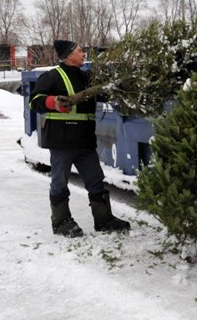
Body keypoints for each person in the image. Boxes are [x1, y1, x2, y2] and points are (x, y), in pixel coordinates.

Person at [29, 40, 131, 237]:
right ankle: (61, 222)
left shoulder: (87, 78)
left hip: (84, 140)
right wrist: (53, 102)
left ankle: (104, 220)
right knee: (59, 182)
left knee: (96, 180)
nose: (84, 54)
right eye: (80, 51)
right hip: (62, 141)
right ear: (69, 55)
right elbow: (34, 101)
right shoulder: (52, 76)